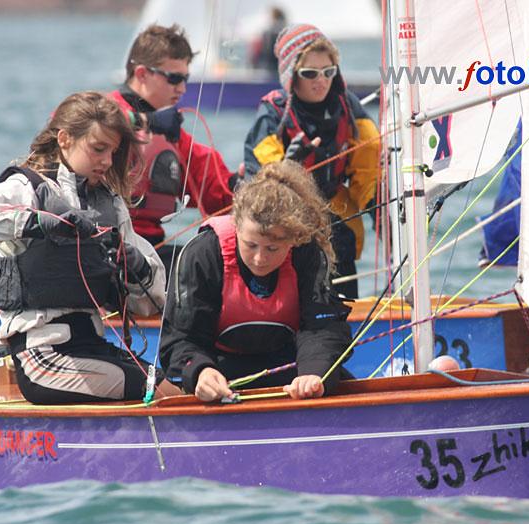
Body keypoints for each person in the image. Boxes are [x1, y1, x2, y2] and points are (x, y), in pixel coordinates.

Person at [0, 91, 168, 404]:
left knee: (175, 388)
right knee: (153, 389)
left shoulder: (111, 204)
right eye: (98, 149)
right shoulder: (27, 187)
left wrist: (136, 264)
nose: (108, 161)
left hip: (93, 346)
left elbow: (149, 305)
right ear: (65, 139)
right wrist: (39, 223)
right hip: (41, 356)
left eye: (113, 152)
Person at [160, 160, 353, 402]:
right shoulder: (204, 254)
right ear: (237, 227)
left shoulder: (306, 252)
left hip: (292, 369)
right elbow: (180, 337)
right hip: (220, 372)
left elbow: (322, 326)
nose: (260, 259)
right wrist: (200, 371)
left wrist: (315, 372)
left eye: (273, 248)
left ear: (293, 240)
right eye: (250, 245)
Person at [244, 24, 380, 299]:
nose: (321, 80)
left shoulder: (348, 108)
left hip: (336, 220)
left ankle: (344, 329)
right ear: (291, 76)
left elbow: (368, 168)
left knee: (340, 239)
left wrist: (384, 216)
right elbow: (256, 182)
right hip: (285, 224)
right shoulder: (273, 113)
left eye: (328, 72)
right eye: (310, 73)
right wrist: (286, 168)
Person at [108, 23, 239, 272]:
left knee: (216, 268)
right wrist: (145, 121)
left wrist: (243, 184)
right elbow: (81, 127)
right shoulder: (102, 111)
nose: (182, 88)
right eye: (174, 78)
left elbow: (213, 188)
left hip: (152, 246)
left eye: (185, 79)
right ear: (143, 73)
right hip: (104, 247)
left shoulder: (172, 134)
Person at [249, 7, 287, 78]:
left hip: (269, 69)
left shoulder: (267, 33)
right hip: (279, 70)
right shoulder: (287, 31)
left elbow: (260, 53)